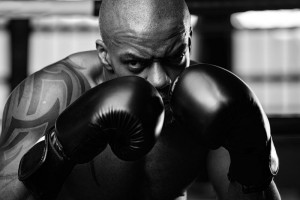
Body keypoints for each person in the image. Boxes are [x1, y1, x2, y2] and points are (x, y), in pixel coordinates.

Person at [0, 0, 281, 199]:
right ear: (104, 54)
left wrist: (253, 160)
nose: (160, 79)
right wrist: (58, 148)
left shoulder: (214, 98)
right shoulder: (54, 92)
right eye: (135, 63)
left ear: (189, 41)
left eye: (174, 57)